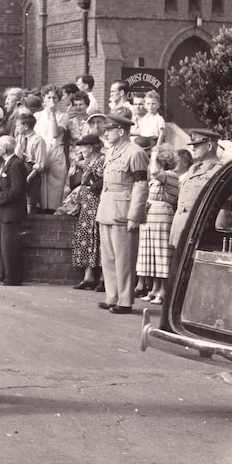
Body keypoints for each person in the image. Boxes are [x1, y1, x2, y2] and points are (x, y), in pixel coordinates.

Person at [96, 113, 149, 314]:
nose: (106, 133)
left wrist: (135, 215)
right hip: (107, 209)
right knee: (108, 257)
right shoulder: (111, 152)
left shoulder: (135, 152)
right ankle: (112, 296)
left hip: (123, 211)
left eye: (109, 130)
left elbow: (141, 185)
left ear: (121, 131)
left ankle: (125, 300)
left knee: (124, 258)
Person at [136, 145, 180, 305]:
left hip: (162, 215)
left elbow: (154, 172)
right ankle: (154, 288)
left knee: (161, 254)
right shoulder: (158, 177)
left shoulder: (170, 175)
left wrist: (155, 155)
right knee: (152, 254)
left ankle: (163, 290)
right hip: (151, 216)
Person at [170, 129, 224, 248]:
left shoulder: (218, 171)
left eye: (197, 146)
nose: (193, 149)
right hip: (180, 229)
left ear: (209, 146)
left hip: (198, 231)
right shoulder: (193, 168)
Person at [70, 133, 105, 292]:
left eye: (83, 147)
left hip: (96, 205)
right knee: (86, 237)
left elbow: (100, 184)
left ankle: (103, 278)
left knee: (98, 239)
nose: (81, 150)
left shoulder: (101, 161)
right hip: (87, 206)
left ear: (90, 148)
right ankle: (88, 276)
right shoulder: (89, 162)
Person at [0, 135, 27, 285]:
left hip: (11, 213)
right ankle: (3, 274)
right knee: (3, 246)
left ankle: (12, 278)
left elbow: (17, 190)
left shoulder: (16, 164)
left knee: (9, 247)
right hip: (5, 212)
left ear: (5, 148)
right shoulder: (7, 163)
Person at [36, 85, 69, 212]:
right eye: (48, 97)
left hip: (56, 153)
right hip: (40, 153)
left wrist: (53, 115)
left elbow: (55, 133)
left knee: (54, 190)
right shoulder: (37, 116)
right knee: (39, 189)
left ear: (59, 100)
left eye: (55, 98)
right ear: (43, 99)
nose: (51, 101)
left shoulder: (63, 116)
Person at [15, 111, 46, 214]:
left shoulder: (38, 140)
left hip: (31, 170)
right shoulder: (19, 138)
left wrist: (29, 177)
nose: (16, 127)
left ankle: (31, 224)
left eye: (18, 125)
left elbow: (41, 164)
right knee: (19, 198)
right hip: (20, 168)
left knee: (30, 200)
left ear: (26, 126)